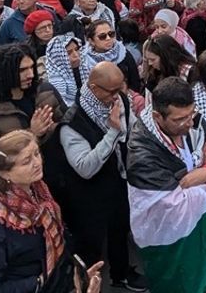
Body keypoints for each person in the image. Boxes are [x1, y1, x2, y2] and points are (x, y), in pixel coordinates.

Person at [48, 62, 148, 292]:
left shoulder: (119, 100)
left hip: (119, 182)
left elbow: (134, 131)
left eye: (120, 89)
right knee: (90, 244)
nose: (117, 96)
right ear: (93, 88)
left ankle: (121, 274)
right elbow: (85, 166)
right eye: (111, 91)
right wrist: (113, 132)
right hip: (88, 194)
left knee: (119, 229)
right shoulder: (72, 123)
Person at [126, 78, 206, 293]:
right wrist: (203, 166)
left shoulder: (190, 119)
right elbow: (170, 205)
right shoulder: (141, 152)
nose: (190, 123)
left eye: (191, 114)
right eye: (180, 119)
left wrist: (205, 171)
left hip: (199, 233)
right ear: (157, 117)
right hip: (169, 244)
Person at [0, 130, 73, 293]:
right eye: (26, 161)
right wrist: (39, 283)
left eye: (36, 153)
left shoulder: (36, 188)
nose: (37, 163)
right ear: (3, 172)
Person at [0, 43, 61, 172]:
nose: (30, 74)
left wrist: (55, 127)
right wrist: (32, 134)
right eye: (22, 70)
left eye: (31, 67)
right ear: (4, 73)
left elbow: (67, 122)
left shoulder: (45, 91)